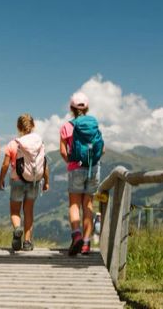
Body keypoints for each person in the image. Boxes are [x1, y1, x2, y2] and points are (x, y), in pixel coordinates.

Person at [59, 92, 104, 256]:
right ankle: (86, 243)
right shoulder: (93, 125)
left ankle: (76, 234)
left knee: (74, 204)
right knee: (88, 206)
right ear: (87, 108)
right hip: (93, 167)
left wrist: (71, 162)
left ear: (71, 108)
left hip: (75, 168)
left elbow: (63, 152)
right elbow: (102, 149)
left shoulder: (66, 127)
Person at [0, 113, 49, 251]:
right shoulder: (40, 143)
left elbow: (5, 164)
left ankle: (17, 229)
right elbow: (44, 164)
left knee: (15, 211)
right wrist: (46, 181)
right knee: (29, 211)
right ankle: (27, 242)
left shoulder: (13, 144)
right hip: (34, 181)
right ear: (33, 126)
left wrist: (1, 178)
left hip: (17, 180)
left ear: (18, 127)